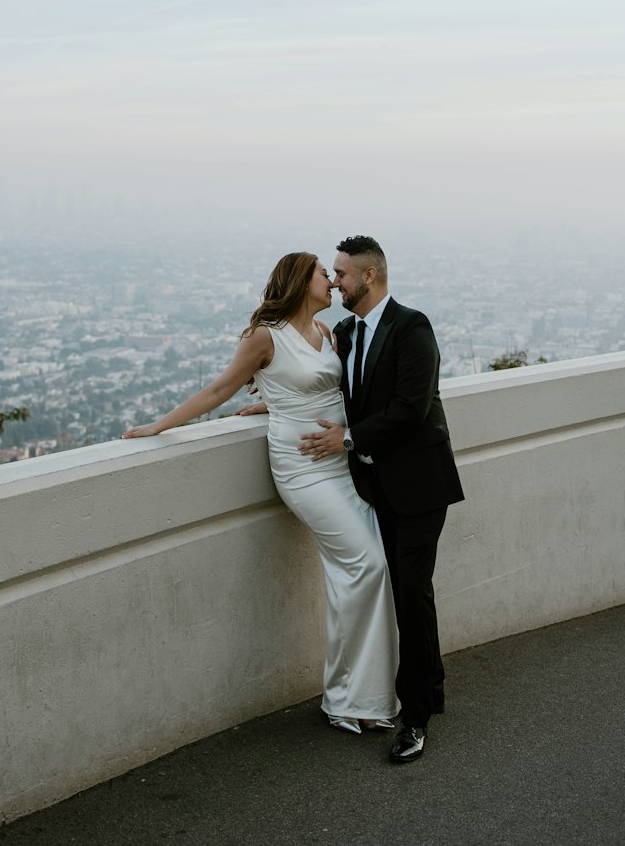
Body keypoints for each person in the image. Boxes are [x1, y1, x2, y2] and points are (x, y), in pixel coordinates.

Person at [122, 251, 398, 733]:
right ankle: (343, 698)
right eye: (322, 275)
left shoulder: (329, 334)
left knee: (369, 568)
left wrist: (273, 404)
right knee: (366, 564)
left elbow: (327, 394)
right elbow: (218, 391)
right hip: (303, 472)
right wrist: (159, 427)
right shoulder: (264, 337)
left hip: (340, 464)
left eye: (335, 276)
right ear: (299, 280)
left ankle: (365, 698)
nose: (332, 284)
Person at [300, 236, 464, 765]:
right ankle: (430, 689)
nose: (335, 281)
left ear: (369, 277)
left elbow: (410, 410)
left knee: (410, 594)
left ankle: (414, 719)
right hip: (373, 488)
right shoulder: (345, 333)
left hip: (419, 487)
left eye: (342, 273)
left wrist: (347, 440)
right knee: (410, 594)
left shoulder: (413, 327)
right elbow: (333, 394)